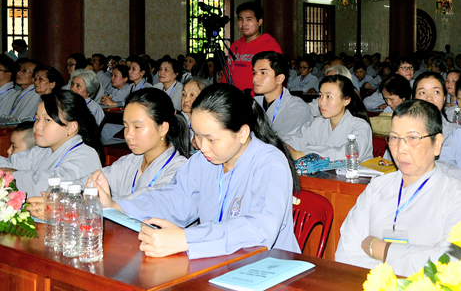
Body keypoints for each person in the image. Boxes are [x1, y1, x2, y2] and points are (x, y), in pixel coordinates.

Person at [102, 84, 300, 259]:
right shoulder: (202, 162)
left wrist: (186, 239)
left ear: (242, 133)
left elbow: (259, 229)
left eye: (211, 139)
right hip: (217, 263)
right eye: (197, 135)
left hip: (266, 268)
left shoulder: (270, 163)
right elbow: (172, 200)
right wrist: (118, 206)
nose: (202, 146)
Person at [335, 100, 461, 276]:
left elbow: (449, 264)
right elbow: (345, 252)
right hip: (370, 287)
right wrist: (416, 257)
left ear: (437, 143)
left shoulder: (458, 195)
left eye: (412, 138)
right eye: (394, 138)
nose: (401, 149)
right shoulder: (377, 186)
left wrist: (382, 249)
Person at [26, 89, 192, 219]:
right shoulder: (129, 162)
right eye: (125, 126)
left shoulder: (181, 169)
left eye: (137, 127)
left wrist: (106, 205)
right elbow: (91, 181)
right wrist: (61, 195)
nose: (128, 135)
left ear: (163, 128)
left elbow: (150, 202)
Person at [0, 90, 102, 196]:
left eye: (47, 120)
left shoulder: (86, 156)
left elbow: (46, 186)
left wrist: (13, 175)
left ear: (71, 127)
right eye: (37, 119)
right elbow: (10, 163)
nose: (37, 126)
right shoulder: (43, 150)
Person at [284, 75, 373, 162]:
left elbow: (348, 154)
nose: (321, 102)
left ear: (346, 100)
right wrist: (286, 146)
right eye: (320, 95)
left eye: (328, 97)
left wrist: (306, 154)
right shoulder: (318, 123)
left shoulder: (360, 126)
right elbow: (294, 139)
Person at [251, 51, 312, 140]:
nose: (255, 78)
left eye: (263, 73)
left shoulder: (297, 108)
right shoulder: (253, 102)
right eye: (255, 73)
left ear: (279, 78)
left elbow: (283, 144)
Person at [228, 2, 282, 92]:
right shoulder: (235, 45)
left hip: (258, 98)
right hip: (233, 97)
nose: (243, 24)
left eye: (249, 19)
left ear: (259, 22)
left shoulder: (270, 45)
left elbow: (278, 78)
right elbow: (227, 74)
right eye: (240, 19)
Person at [412, 71, 458, 139]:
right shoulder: (403, 130)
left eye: (436, 92)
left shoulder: (457, 133)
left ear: (444, 98)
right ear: (414, 99)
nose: (429, 98)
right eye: (422, 92)